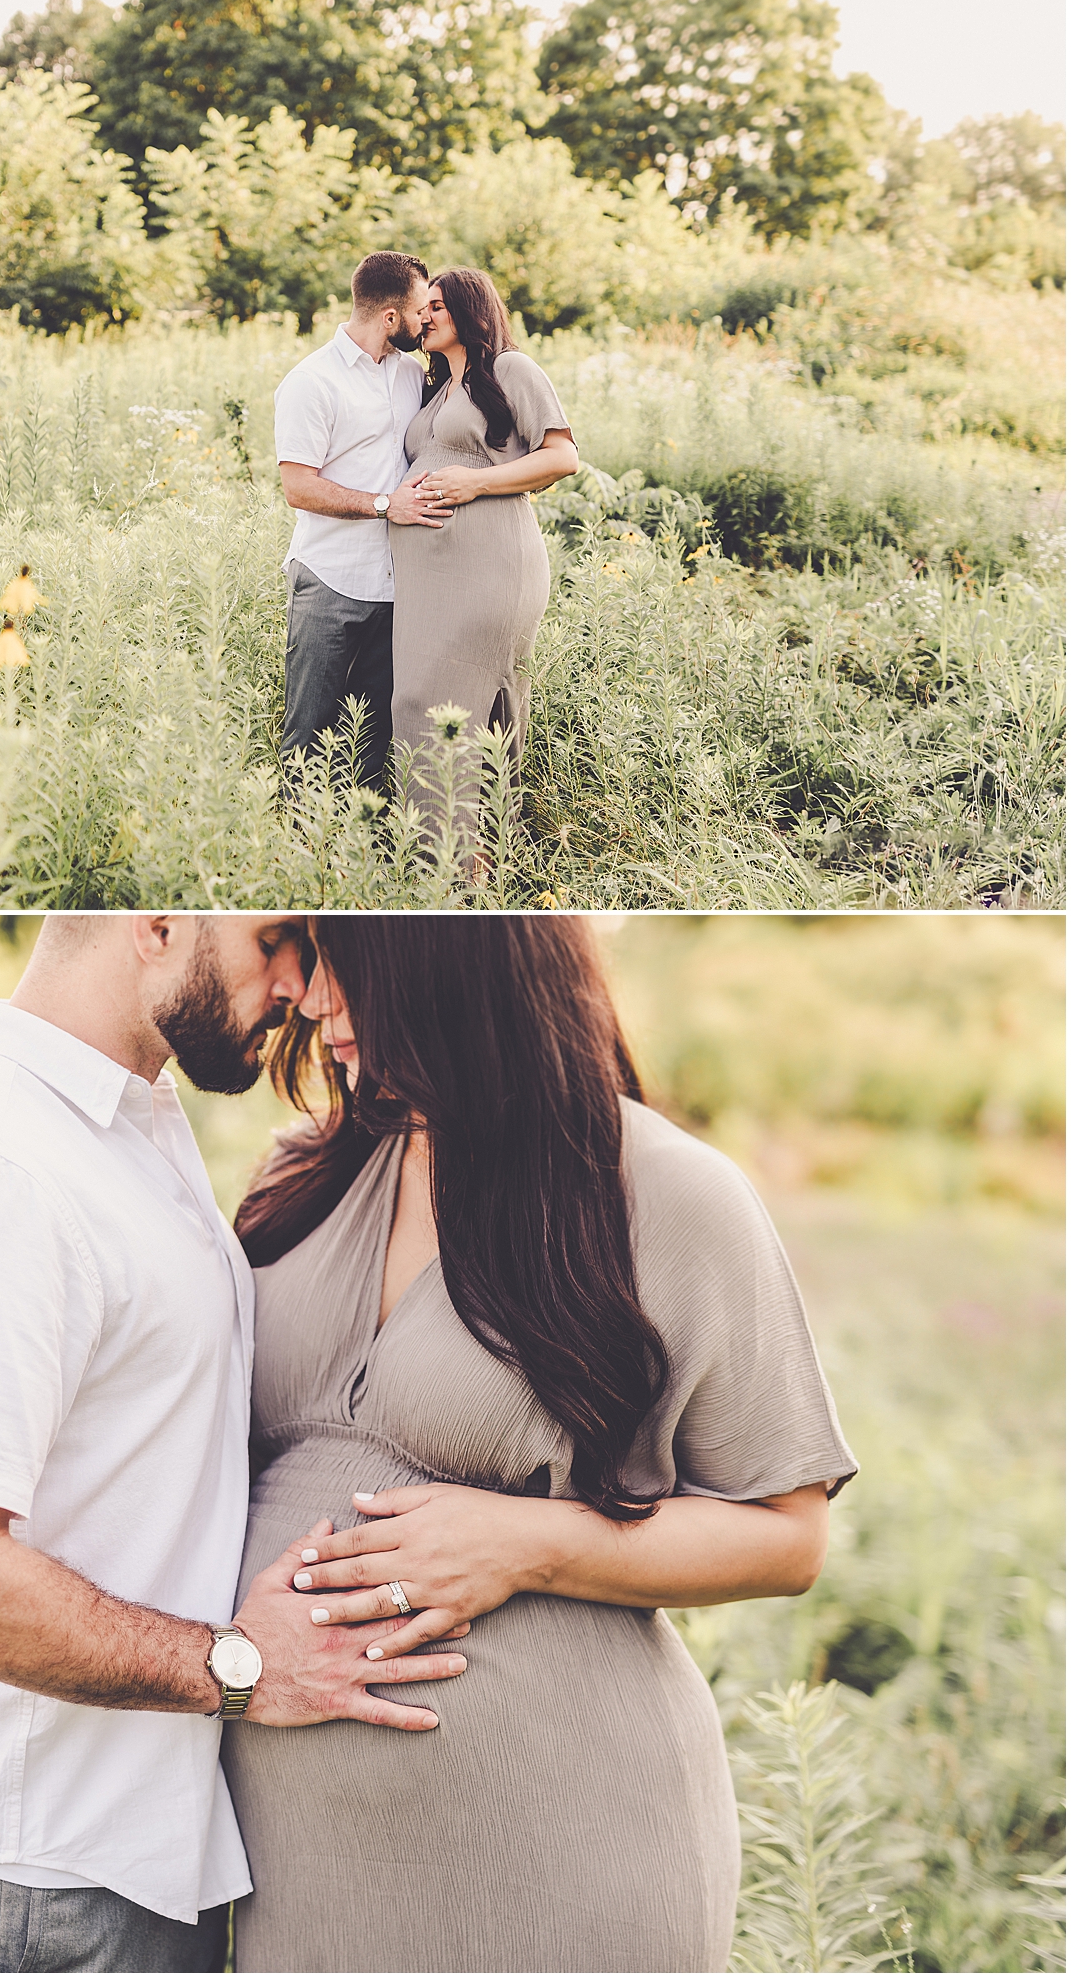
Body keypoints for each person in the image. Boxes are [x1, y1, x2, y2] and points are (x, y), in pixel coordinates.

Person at [0, 912, 471, 1976]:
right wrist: (239, 1664)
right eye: (274, 939)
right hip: (36, 1879)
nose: (297, 984)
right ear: (159, 917)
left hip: (115, 1867)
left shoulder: (119, 1129)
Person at [222, 914, 858, 1975]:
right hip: (297, 1874)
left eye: (344, 958)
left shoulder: (664, 1193)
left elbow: (787, 1537)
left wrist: (532, 1542)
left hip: (561, 1860)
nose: (310, 995)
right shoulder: (305, 1176)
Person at [388, 268, 579, 820]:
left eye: (438, 307)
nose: (425, 316)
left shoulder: (509, 369)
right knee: (426, 705)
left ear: (471, 312)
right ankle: (458, 862)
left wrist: (475, 481)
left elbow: (562, 456)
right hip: (433, 584)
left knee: (436, 704)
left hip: (488, 570)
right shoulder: (439, 387)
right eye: (424, 307)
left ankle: (455, 868)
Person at [273, 251, 452, 793]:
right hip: (331, 579)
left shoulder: (410, 375)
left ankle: (363, 856)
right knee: (309, 733)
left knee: (376, 737)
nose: (428, 321)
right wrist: (383, 504)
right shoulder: (311, 382)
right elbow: (298, 488)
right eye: (422, 310)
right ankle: (295, 856)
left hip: (399, 584)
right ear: (391, 317)